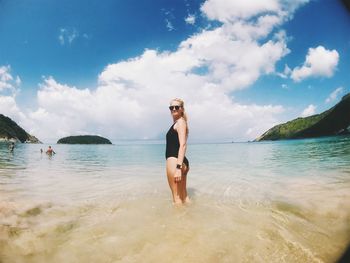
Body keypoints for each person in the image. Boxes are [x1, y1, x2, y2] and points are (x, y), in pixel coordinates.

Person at [165, 98, 190, 204]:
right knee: (184, 196)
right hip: (181, 161)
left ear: (182, 109)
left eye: (176, 107)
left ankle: (179, 221)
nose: (173, 109)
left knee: (176, 198)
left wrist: (178, 168)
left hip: (175, 162)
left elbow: (183, 145)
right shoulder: (179, 123)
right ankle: (191, 218)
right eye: (171, 107)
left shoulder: (180, 122)